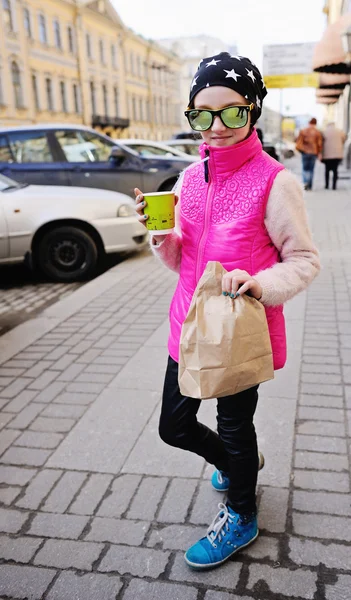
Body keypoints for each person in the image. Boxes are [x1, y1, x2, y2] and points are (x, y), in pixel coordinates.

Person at [134, 52, 320, 570]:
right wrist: (160, 235)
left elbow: (305, 261)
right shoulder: (190, 178)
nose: (216, 127)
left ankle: (241, 512)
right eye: (202, 114)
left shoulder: (274, 181)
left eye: (232, 112)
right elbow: (181, 260)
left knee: (236, 426)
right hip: (187, 326)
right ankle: (240, 467)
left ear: (253, 111)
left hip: (238, 328)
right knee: (174, 426)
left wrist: (258, 284)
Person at [295, 117, 323, 190]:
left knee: (305, 169)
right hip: (314, 153)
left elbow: (298, 142)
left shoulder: (303, 131)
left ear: (309, 123)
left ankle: (305, 183)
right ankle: (310, 185)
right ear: (315, 123)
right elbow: (319, 144)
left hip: (305, 152)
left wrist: (301, 150)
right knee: (311, 169)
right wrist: (319, 153)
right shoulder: (317, 132)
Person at [322, 122, 346, 190]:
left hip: (327, 154)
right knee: (335, 170)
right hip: (337, 154)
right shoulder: (339, 131)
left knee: (327, 170)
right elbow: (344, 139)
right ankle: (334, 186)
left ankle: (326, 185)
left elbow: (321, 142)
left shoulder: (325, 131)